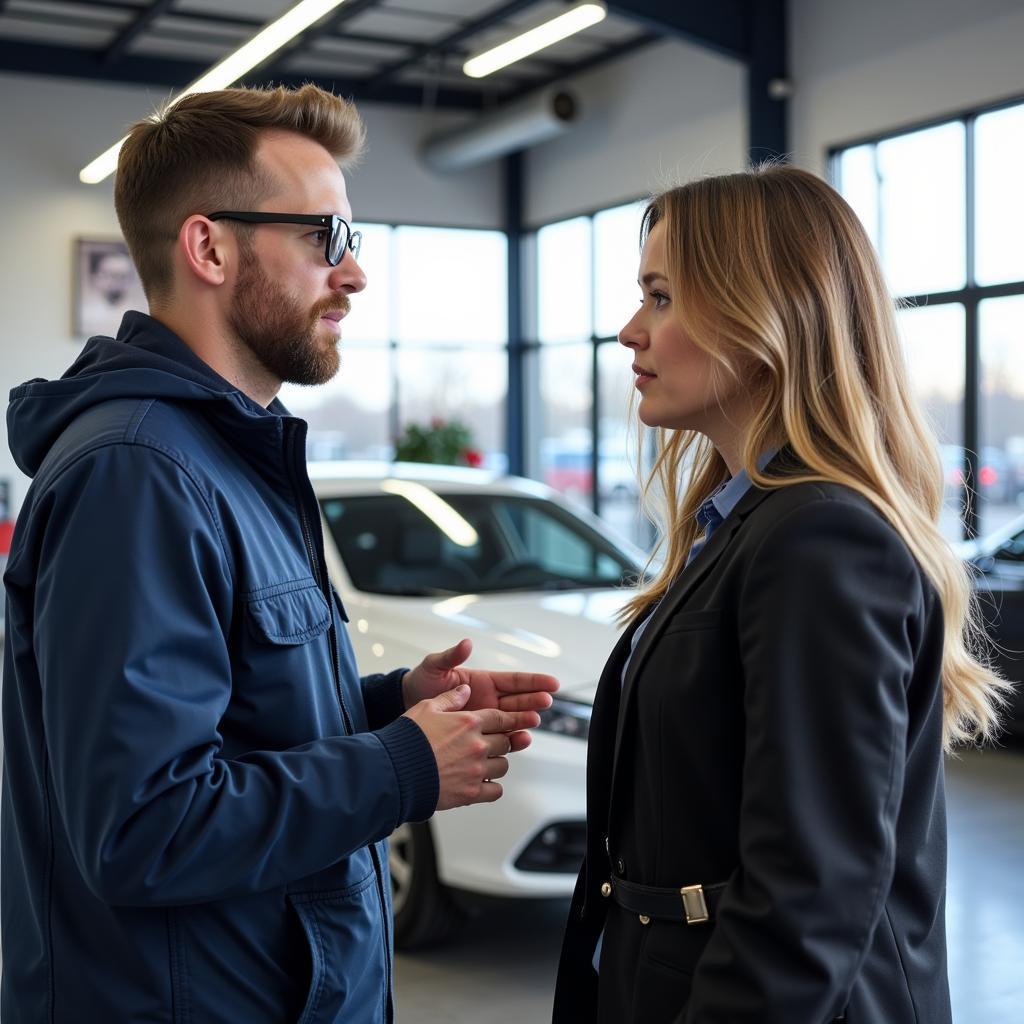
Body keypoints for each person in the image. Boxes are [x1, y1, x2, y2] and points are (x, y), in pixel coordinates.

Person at [1, 84, 558, 1024]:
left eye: (354, 242)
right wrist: (399, 768)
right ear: (210, 246)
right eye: (323, 239)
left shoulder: (228, 454)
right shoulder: (139, 473)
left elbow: (232, 717)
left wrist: (390, 708)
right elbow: (142, 827)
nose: (353, 275)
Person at [551, 165, 1009, 1024]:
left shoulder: (818, 540)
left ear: (763, 317)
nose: (628, 332)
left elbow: (807, 899)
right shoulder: (745, 525)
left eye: (660, 298)